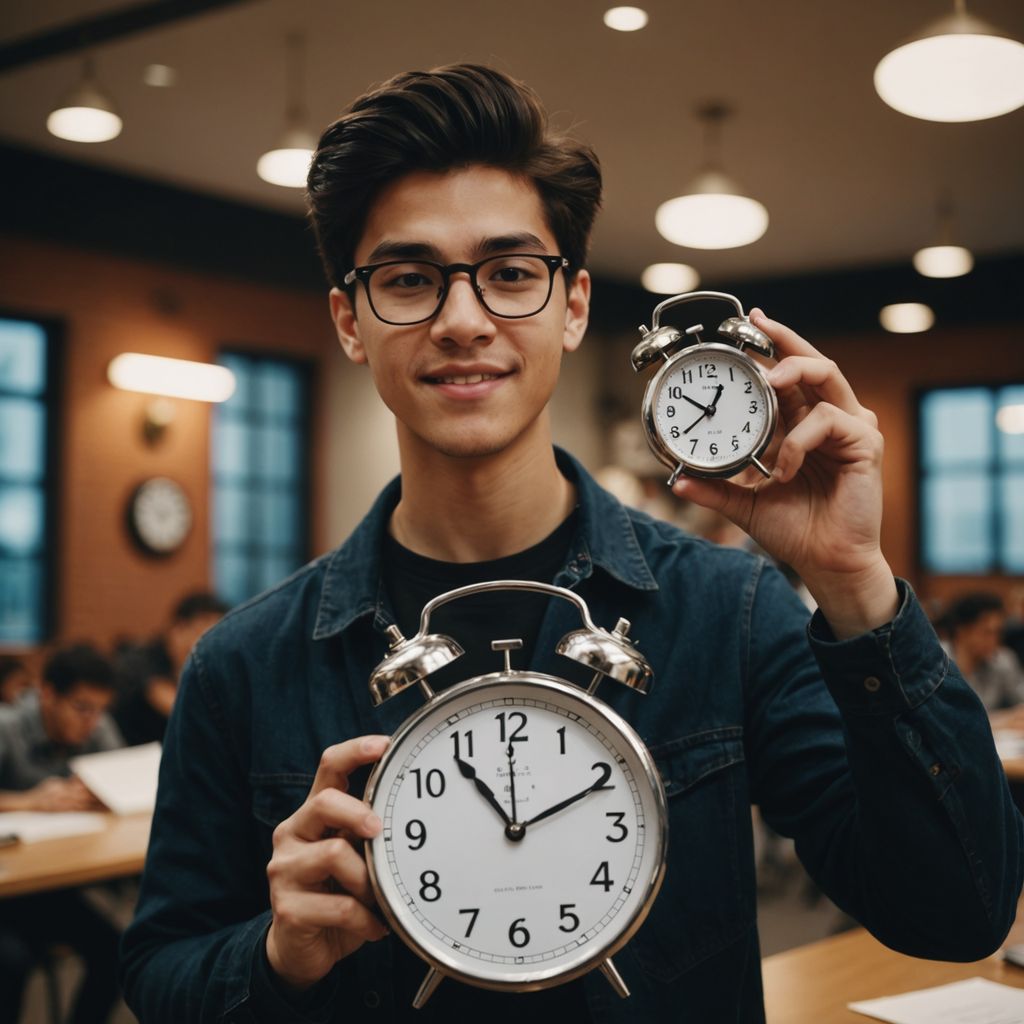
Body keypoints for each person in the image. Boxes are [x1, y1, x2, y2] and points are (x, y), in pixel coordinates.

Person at [120, 64, 1022, 1023]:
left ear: (574, 305)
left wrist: (854, 582)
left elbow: (957, 913)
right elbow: (160, 971)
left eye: (510, 273)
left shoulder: (728, 614)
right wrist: (275, 955)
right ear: (352, 319)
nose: (464, 321)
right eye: (410, 280)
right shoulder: (244, 665)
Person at [0, 642, 124, 1024]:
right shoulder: (7, 726)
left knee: (119, 951)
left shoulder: (98, 725)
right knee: (12, 963)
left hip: (51, 884)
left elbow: (121, 779)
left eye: (101, 710)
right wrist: (28, 801)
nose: (92, 723)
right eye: (82, 708)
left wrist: (104, 793)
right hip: (7, 891)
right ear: (47, 694)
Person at [112, 590, 228, 746]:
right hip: (126, 755)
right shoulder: (142, 658)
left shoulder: (204, 666)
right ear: (178, 629)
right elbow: (173, 703)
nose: (211, 645)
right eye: (204, 633)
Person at [936, 591, 1024, 713]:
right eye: (987, 632)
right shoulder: (936, 660)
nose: (994, 640)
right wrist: (1001, 720)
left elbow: (1021, 701)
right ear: (962, 632)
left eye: (998, 632)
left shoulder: (1002, 659)